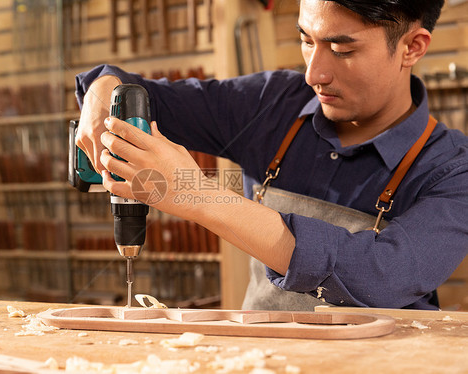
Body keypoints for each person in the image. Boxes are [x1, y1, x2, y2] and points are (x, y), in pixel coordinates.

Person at [75, 0, 468, 310]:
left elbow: (379, 275)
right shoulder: (271, 101)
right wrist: (104, 90)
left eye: (342, 49)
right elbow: (143, 94)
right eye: (307, 40)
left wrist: (196, 194)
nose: (314, 73)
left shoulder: (452, 170)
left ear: (412, 47)